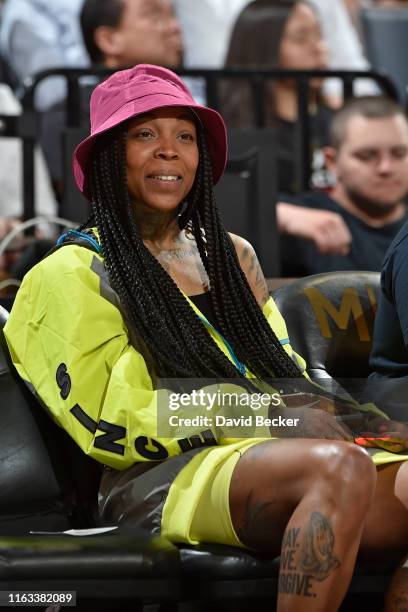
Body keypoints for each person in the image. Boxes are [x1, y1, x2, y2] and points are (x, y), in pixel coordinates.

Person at [4, 64, 408, 612]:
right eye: (144, 134)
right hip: (156, 480)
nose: (168, 151)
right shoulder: (68, 273)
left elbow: (282, 367)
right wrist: (273, 419)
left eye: (185, 137)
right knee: (335, 467)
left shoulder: (232, 255)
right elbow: (113, 420)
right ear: (106, 158)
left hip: (271, 451)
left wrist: (358, 419)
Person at [279, 96, 408, 276]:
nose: (385, 168)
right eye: (367, 155)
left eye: (400, 153)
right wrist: (282, 216)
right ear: (332, 162)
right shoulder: (303, 215)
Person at [222, 0, 333, 194]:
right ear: (263, 50)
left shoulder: (336, 119)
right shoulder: (232, 133)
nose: (319, 48)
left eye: (319, 35)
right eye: (301, 38)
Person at [80, 0, 183, 70]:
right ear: (109, 40)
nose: (175, 27)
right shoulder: (80, 102)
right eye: (154, 15)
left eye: (172, 15)